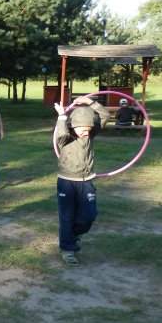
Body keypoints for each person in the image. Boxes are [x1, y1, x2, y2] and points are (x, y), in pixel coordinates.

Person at [54, 96, 110, 265]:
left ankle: (73, 235)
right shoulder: (65, 137)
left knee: (89, 215)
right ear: (73, 126)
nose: (85, 133)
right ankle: (68, 250)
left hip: (86, 182)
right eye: (82, 130)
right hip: (66, 182)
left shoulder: (90, 135)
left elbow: (105, 115)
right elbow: (61, 132)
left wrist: (89, 102)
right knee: (67, 217)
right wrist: (62, 116)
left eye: (88, 129)